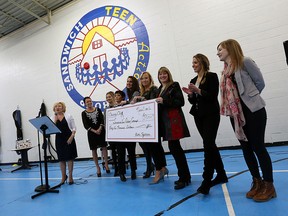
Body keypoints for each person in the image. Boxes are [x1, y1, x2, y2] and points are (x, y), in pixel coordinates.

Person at [217, 39, 276, 202]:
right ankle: (257, 182)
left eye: (220, 49)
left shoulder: (245, 61)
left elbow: (260, 82)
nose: (218, 53)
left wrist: (250, 97)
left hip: (253, 111)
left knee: (258, 147)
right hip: (235, 114)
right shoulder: (224, 71)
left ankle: (269, 185)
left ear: (230, 48)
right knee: (246, 148)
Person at [182, 54, 228, 195]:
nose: (193, 65)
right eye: (192, 63)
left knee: (207, 146)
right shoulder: (193, 80)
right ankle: (221, 174)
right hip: (199, 115)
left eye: (195, 62)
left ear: (202, 62)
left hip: (211, 115)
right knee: (210, 145)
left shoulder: (212, 76)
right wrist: (190, 95)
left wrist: (198, 91)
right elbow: (193, 101)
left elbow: (212, 96)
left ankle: (206, 180)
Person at [155, 67, 191, 190]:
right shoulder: (160, 89)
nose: (162, 75)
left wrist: (164, 100)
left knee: (176, 149)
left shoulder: (174, 85)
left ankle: (184, 178)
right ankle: (184, 176)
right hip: (166, 122)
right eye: (160, 74)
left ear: (168, 74)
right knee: (174, 148)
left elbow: (180, 101)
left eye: (164, 73)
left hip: (174, 121)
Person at [131, 72, 158, 179]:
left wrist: (139, 99)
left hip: (151, 123)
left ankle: (157, 167)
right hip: (142, 123)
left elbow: (151, 102)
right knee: (145, 147)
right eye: (142, 79)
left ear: (150, 79)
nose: (144, 80)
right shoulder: (141, 92)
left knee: (153, 148)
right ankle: (150, 166)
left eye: (146, 78)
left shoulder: (154, 89)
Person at [81, 96, 110, 177]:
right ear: (85, 103)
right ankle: (98, 168)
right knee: (94, 150)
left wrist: (100, 129)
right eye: (87, 102)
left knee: (104, 147)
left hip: (101, 131)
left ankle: (106, 165)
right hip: (91, 133)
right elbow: (85, 125)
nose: (89, 103)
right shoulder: (83, 113)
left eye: (90, 101)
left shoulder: (98, 109)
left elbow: (102, 120)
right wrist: (95, 131)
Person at [114, 90, 137, 182]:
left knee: (131, 154)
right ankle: (121, 173)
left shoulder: (128, 105)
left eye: (118, 95)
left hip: (129, 134)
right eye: (115, 95)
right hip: (119, 136)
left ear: (122, 97)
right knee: (120, 155)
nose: (116, 97)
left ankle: (133, 171)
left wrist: (127, 103)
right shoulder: (111, 108)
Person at [53, 102, 78, 185]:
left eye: (59, 106)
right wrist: (55, 119)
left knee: (69, 158)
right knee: (61, 159)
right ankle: (63, 176)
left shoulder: (68, 116)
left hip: (68, 138)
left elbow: (74, 128)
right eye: (56, 106)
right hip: (59, 140)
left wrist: (71, 137)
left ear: (63, 107)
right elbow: (51, 129)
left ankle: (70, 176)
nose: (57, 107)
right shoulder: (53, 117)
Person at [105, 91, 119, 176]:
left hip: (118, 132)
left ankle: (121, 167)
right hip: (111, 133)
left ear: (113, 97)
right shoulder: (106, 109)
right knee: (113, 151)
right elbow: (105, 121)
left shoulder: (118, 106)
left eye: (109, 96)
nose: (108, 98)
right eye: (107, 97)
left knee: (120, 151)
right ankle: (116, 168)